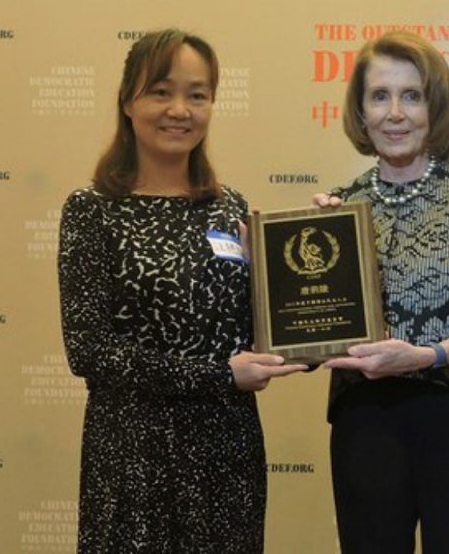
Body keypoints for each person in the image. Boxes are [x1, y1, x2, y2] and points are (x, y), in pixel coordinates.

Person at [57, 28, 306, 554]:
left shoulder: (229, 207)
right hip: (132, 452)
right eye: (161, 91)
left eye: (198, 95)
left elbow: (259, 334)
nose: (180, 110)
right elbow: (89, 351)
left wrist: (298, 279)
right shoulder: (92, 209)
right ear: (128, 102)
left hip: (227, 449)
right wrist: (218, 375)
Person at [314, 30, 449, 554]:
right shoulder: (340, 208)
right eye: (379, 96)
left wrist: (426, 356)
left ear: (436, 106)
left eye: (412, 96)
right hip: (368, 424)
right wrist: (290, 261)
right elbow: (314, 331)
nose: (395, 113)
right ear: (360, 111)